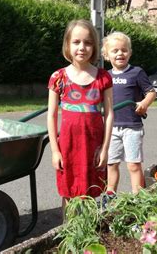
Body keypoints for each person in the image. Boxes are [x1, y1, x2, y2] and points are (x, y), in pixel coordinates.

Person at [47, 19, 114, 213]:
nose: (82, 47)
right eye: (76, 42)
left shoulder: (103, 77)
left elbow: (109, 114)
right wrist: (55, 151)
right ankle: (69, 234)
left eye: (88, 42)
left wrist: (105, 149)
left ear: (94, 46)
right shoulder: (58, 77)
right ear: (68, 44)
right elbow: (51, 115)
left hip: (94, 146)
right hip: (67, 147)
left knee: (92, 193)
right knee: (69, 192)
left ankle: (88, 237)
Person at [102, 32, 156, 194]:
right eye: (115, 50)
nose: (120, 54)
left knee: (133, 164)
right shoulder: (106, 76)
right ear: (106, 55)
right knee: (111, 164)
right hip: (111, 128)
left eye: (124, 50)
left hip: (132, 126)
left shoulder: (136, 72)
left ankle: (137, 197)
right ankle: (110, 195)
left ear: (130, 53)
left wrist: (144, 103)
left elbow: (151, 92)